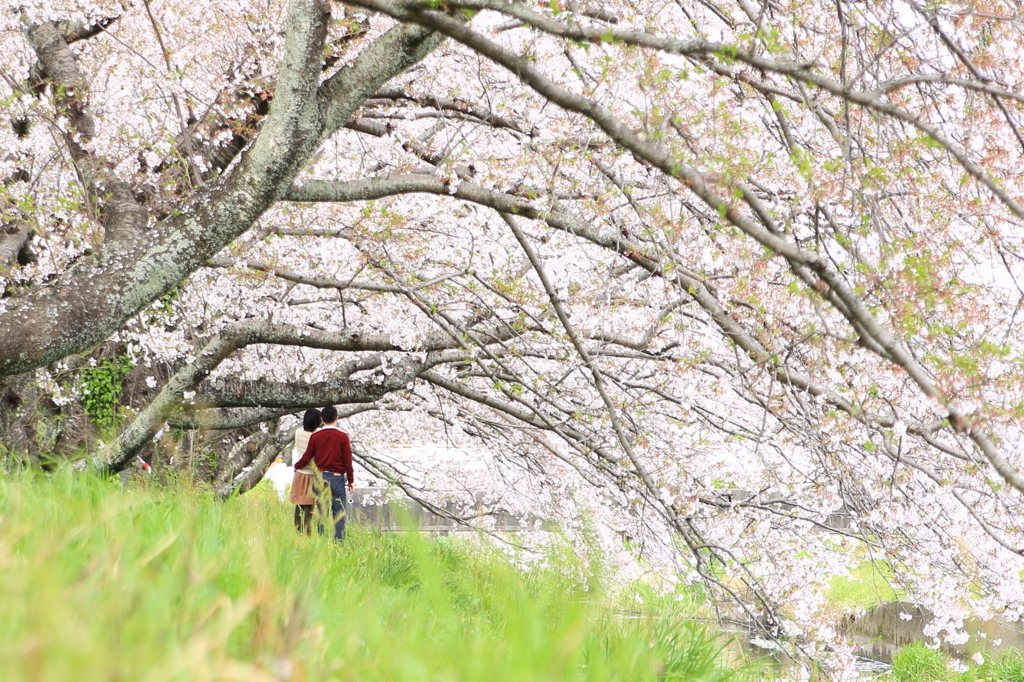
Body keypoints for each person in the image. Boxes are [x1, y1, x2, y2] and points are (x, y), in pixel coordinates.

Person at [293, 405, 354, 542]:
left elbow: (308, 456)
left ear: (322, 419)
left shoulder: (316, 436)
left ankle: (322, 542)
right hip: (337, 478)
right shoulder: (343, 437)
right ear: (336, 418)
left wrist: (297, 466)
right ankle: (338, 543)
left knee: (322, 513)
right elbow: (347, 460)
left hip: (320, 477)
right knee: (339, 513)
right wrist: (351, 480)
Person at [289, 408, 321, 534]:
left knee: (299, 505)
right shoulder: (317, 436)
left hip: (300, 473)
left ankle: (298, 531)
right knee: (309, 506)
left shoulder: (298, 432)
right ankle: (307, 533)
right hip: (313, 474)